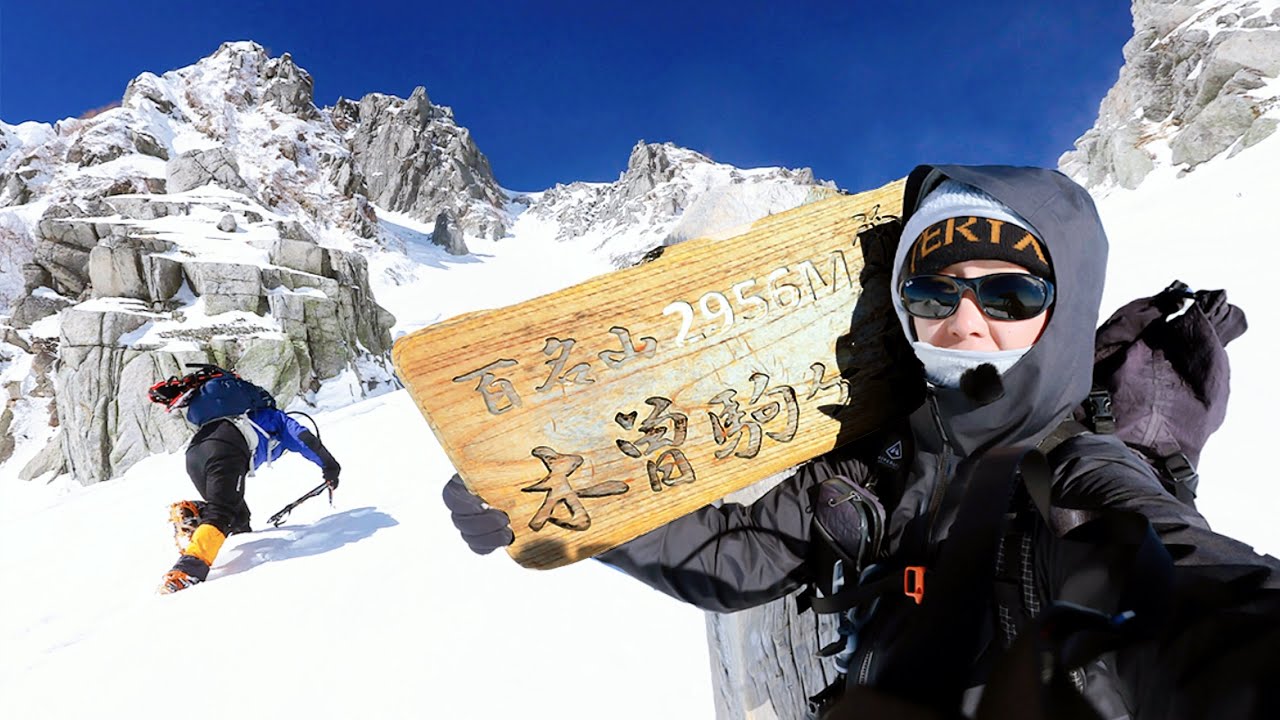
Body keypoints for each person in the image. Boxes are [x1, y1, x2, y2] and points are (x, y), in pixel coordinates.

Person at [443, 165, 1280, 718]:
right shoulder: (893, 456)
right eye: (932, 291)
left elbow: (1183, 587)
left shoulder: (1083, 472)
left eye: (1011, 293)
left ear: (1061, 308)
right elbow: (742, 552)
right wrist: (558, 505)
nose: (963, 322)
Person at [153, 370, 342, 594]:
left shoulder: (237, 416)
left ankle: (192, 511)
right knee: (221, 513)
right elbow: (304, 439)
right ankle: (187, 572)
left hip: (195, 453)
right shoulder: (274, 418)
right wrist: (330, 466)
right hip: (227, 447)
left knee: (238, 517)